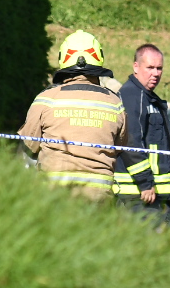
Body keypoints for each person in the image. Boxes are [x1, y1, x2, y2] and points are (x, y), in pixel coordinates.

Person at [19, 30, 129, 201]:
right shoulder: (114, 103)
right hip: (99, 196)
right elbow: (120, 147)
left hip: (54, 193)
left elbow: (29, 144)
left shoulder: (46, 99)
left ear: (63, 59)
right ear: (98, 58)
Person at [114, 42, 170, 216]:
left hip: (151, 194)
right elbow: (130, 141)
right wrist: (145, 182)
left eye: (159, 68)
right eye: (150, 67)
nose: (156, 73)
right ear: (136, 66)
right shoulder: (131, 96)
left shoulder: (148, 98)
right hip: (137, 194)